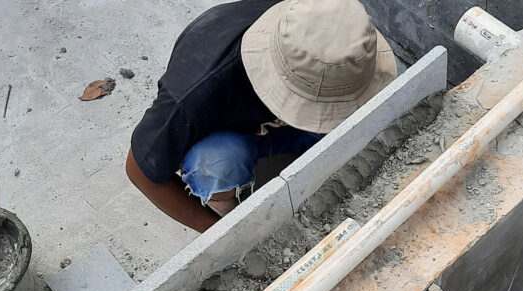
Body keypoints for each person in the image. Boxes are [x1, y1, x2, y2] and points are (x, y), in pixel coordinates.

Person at [125, 0, 397, 232]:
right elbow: (140, 171)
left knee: (362, 124)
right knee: (214, 163)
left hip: (281, 126)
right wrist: (224, 236)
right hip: (233, 136)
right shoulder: (196, 92)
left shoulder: (318, 20)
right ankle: (230, 210)